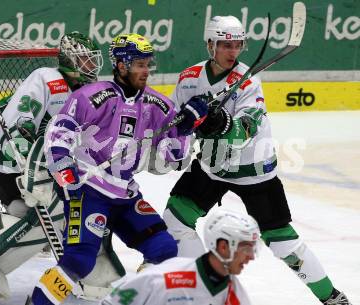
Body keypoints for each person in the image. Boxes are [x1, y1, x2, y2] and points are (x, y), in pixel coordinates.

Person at [162, 15, 352, 305]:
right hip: (212, 167)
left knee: (283, 244)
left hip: (254, 174)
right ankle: (202, 289)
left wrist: (220, 122)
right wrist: (181, 128)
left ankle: (333, 298)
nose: (233, 52)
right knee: (174, 220)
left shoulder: (248, 82)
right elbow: (174, 121)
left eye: (238, 45)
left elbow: (244, 131)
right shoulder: (189, 78)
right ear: (210, 44)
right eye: (226, 45)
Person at [28, 33, 208, 305]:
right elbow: (59, 132)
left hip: (125, 194)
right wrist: (64, 167)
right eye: (139, 64)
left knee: (164, 248)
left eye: (148, 64)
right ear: (121, 65)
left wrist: (185, 129)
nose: (146, 71)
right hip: (89, 190)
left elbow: (173, 157)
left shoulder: (158, 105)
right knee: (79, 260)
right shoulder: (91, 96)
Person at [0, 32, 126, 303]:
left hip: (45, 166)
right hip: (12, 162)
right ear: (68, 58)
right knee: (35, 219)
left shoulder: (84, 92)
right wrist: (27, 164)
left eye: (93, 60)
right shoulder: (47, 79)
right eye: (83, 59)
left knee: (78, 211)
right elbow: (15, 122)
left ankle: (84, 275)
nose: (90, 66)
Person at [101, 209, 260, 305]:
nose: (251, 257)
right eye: (246, 249)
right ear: (223, 247)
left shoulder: (234, 294)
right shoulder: (164, 278)